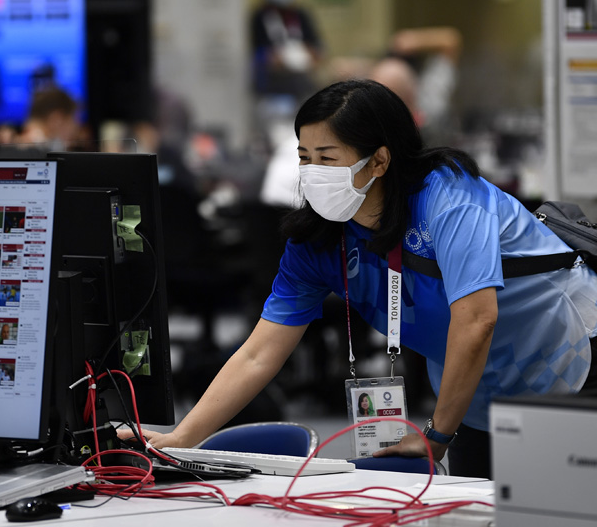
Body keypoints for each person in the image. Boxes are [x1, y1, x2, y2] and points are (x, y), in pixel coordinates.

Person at [126, 79, 597, 479]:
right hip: (477, 392)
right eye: (304, 156)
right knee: (486, 511)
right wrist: (181, 439)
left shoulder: (449, 200)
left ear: (379, 161)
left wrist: (435, 435)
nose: (311, 172)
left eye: (327, 157)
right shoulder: (317, 242)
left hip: (573, 359)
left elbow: (477, 322)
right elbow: (258, 353)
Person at [251, 0, 324, 101]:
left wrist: (313, 54)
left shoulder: (301, 14)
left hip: (303, 86)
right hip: (272, 90)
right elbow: (255, 51)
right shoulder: (259, 16)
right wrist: (269, 58)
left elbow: (317, 46)